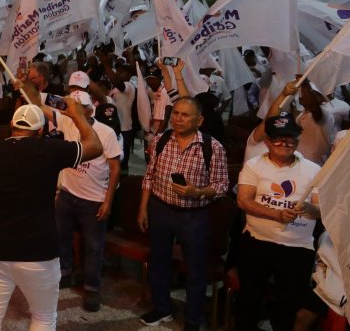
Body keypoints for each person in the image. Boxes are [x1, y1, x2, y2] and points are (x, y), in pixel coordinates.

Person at [0, 97, 103, 330]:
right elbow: (95, 146)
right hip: (39, 250)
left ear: (12, 126)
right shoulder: (49, 150)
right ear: (40, 131)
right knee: (43, 317)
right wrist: (77, 115)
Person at [138, 60, 230, 331]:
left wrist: (197, 192)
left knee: (195, 270)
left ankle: (192, 319)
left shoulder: (212, 148)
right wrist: (143, 207)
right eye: (175, 113)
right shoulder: (162, 140)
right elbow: (149, 175)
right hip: (160, 209)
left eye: (184, 115)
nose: (177, 118)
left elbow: (222, 185)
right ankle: (162, 308)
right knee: (159, 262)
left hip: (193, 216)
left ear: (199, 120)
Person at [234, 113, 321, 331]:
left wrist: (308, 208)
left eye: (290, 139)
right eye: (278, 139)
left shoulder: (313, 170)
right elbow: (244, 200)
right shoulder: (254, 165)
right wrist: (276, 215)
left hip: (297, 248)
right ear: (267, 142)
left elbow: (321, 212)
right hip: (257, 241)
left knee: (288, 305)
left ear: (297, 142)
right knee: (249, 299)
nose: (284, 144)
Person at [52, 92, 122, 312]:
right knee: (61, 238)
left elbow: (115, 168)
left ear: (89, 110)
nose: (70, 108)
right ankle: (64, 274)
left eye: (75, 106)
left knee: (93, 247)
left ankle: (92, 288)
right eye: (69, 104)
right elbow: (37, 101)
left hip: (93, 200)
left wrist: (108, 201)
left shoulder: (106, 132)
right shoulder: (66, 121)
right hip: (67, 194)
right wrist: (24, 84)